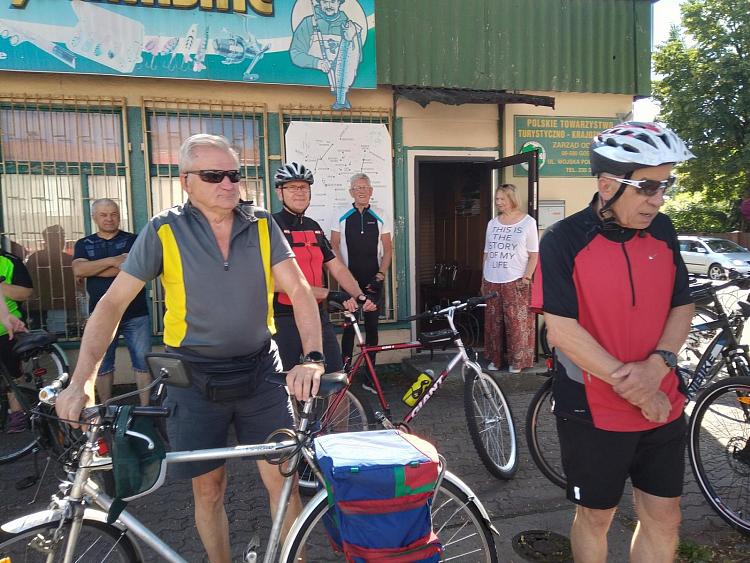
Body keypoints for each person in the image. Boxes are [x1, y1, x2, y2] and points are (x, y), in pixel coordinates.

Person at [55, 134, 326, 563]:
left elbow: (299, 290)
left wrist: (311, 358)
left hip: (261, 373)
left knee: (284, 482)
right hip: (193, 378)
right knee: (208, 488)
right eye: (213, 175)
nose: (228, 184)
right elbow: (111, 304)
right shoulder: (164, 229)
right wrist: (82, 382)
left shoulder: (261, 224)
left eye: (234, 174)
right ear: (186, 181)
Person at [531, 122, 696, 563]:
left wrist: (656, 369)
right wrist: (637, 387)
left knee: (666, 517)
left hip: (662, 400)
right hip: (593, 408)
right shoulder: (564, 239)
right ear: (607, 185)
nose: (658, 199)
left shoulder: (664, 230)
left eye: (665, 185)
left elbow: (682, 305)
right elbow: (562, 331)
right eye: (647, 187)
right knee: (596, 517)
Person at [272, 162, 376, 377]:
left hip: (317, 314)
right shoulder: (271, 226)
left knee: (335, 377)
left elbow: (337, 267)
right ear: (279, 193)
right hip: (284, 317)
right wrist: (329, 294)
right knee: (287, 382)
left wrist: (360, 296)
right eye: (292, 187)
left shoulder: (314, 227)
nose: (299, 192)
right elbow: (273, 282)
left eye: (304, 187)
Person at [73, 199, 152, 406]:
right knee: (103, 364)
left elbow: (135, 269)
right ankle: (106, 409)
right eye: (103, 214)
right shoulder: (84, 244)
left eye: (113, 214)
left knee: (143, 362)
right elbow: (79, 270)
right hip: (101, 316)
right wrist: (113, 261)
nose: (109, 218)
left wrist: (94, 268)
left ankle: (146, 409)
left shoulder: (134, 240)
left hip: (136, 313)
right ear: (94, 217)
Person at [331, 173, 392, 381]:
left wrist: (380, 275)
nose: (362, 191)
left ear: (371, 191)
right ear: (351, 192)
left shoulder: (380, 214)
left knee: (372, 328)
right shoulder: (340, 213)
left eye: (365, 187)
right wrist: (346, 276)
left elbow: (388, 250)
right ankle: (345, 374)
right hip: (350, 281)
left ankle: (370, 376)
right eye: (357, 188)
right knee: (350, 327)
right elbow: (334, 246)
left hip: (373, 281)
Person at [481, 183, 538, 373]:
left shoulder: (528, 222)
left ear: (512, 199)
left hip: (516, 280)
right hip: (492, 279)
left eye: (502, 199)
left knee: (517, 323)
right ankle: (495, 360)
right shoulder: (492, 223)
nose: (498, 202)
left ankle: (517, 362)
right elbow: (487, 253)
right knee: (493, 324)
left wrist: (527, 278)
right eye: (497, 199)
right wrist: (483, 278)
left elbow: (534, 255)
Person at [289, 0, 363, 110]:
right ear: (319, 3)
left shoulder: (349, 27)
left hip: (341, 83)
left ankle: (341, 100)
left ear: (339, 3)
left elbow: (358, 59)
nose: (328, 6)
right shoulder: (308, 23)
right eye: (325, 1)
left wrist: (357, 37)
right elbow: (295, 53)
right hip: (311, 89)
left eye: (332, 1)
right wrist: (317, 63)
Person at [0, 246, 33, 433]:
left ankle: (17, 414)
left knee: (12, 373)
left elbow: (25, 292)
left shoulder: (10, 261)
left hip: (6, 331)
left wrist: (5, 316)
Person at [25, 224, 78, 335]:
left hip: (48, 306)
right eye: (58, 238)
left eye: (62, 237)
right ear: (47, 240)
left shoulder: (35, 258)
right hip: (52, 306)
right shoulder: (37, 258)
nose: (61, 241)